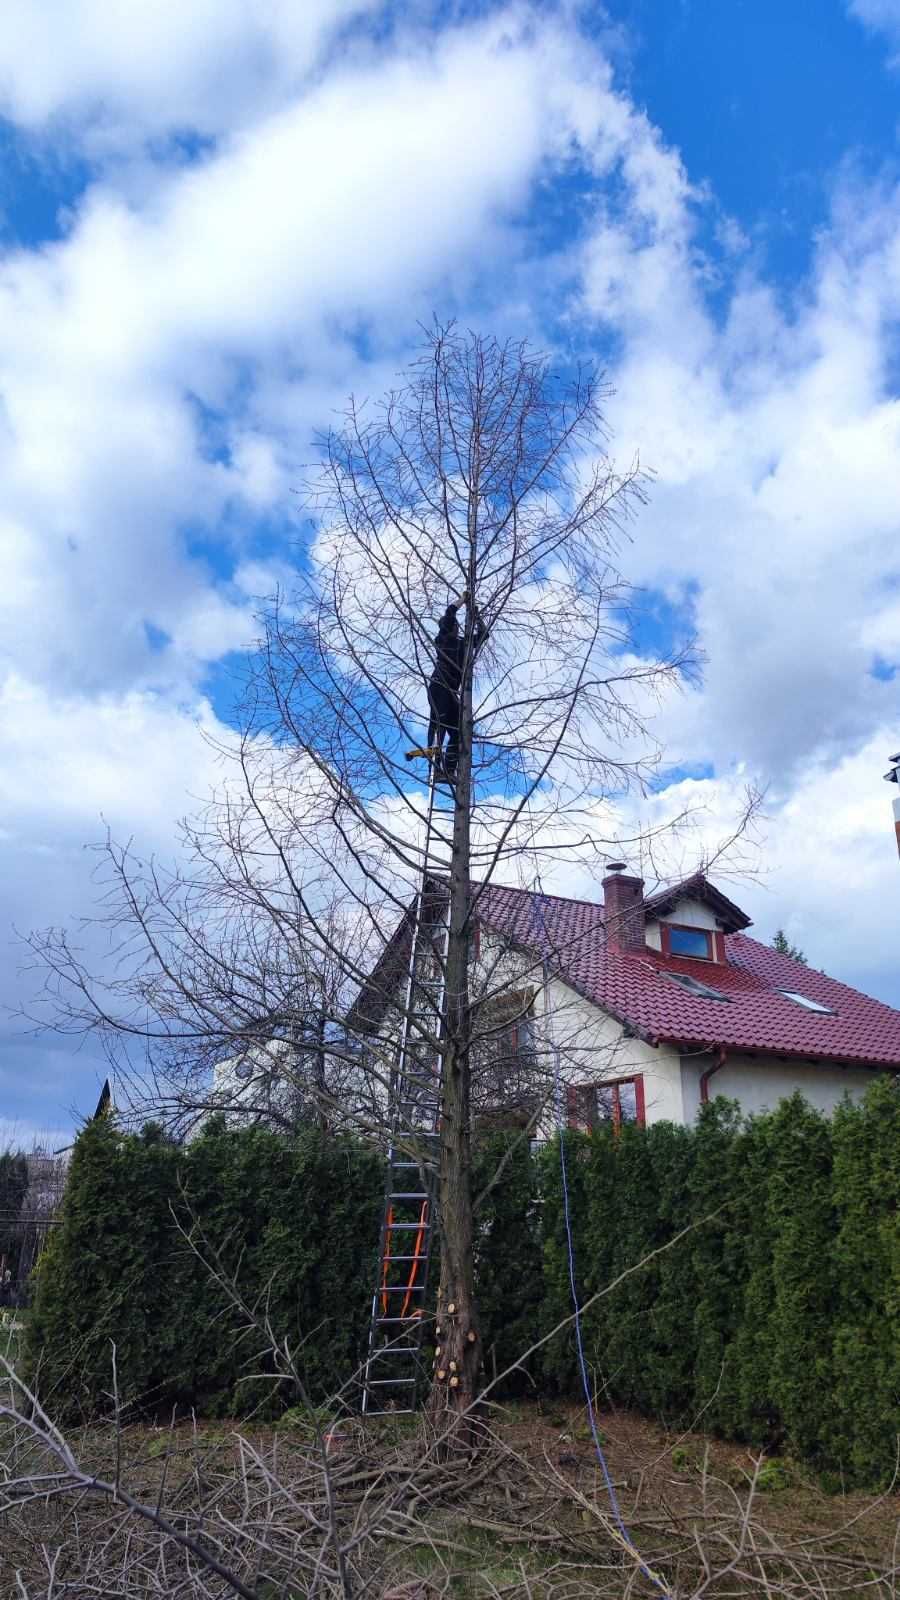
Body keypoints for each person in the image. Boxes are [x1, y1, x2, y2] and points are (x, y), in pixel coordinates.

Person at [406, 589, 486, 781]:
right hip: (440, 687)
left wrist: (477, 618)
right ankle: (435, 762)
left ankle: (447, 772)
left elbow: (483, 635)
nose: (456, 627)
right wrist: (463, 600)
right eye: (453, 626)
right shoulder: (443, 639)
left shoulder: (463, 645)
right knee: (439, 725)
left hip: (450, 693)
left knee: (458, 732)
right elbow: (449, 613)